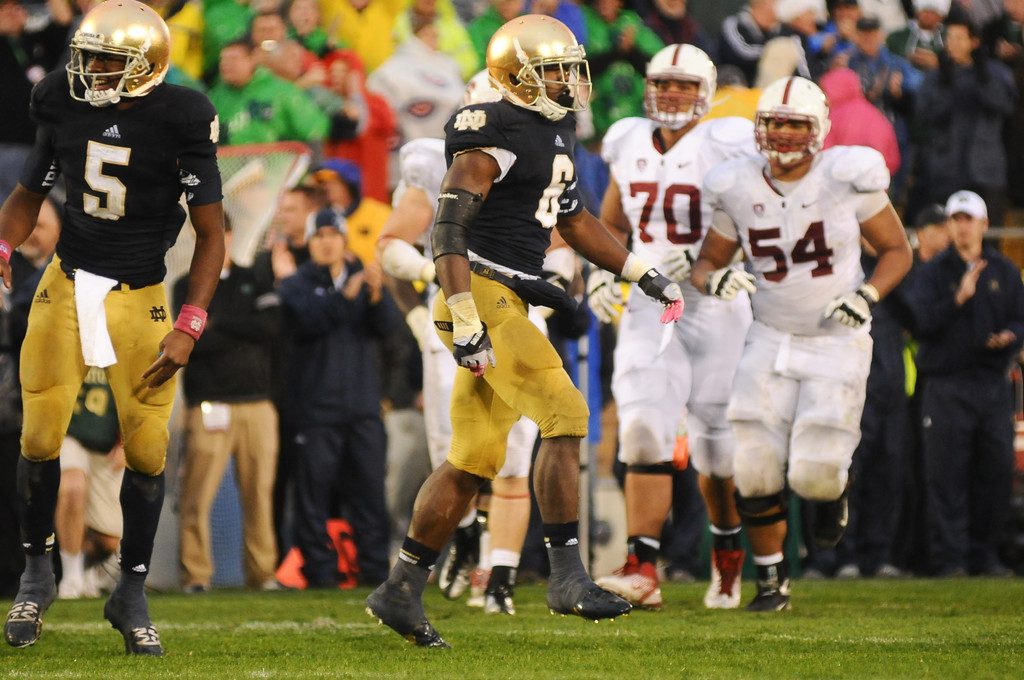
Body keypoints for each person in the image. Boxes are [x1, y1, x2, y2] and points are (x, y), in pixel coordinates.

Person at [365, 15, 683, 648]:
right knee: (565, 412)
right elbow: (449, 231)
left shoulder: (552, 130)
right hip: (480, 291)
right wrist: (463, 315)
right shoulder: (491, 127)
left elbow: (575, 219)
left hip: (507, 290)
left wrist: (642, 271)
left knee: (472, 459)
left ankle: (400, 588)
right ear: (517, 75)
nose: (568, 81)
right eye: (554, 70)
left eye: (570, 68)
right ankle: (566, 575)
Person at [0, 0, 224, 655]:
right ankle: (37, 574)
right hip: (68, 284)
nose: (92, 71)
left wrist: (190, 321)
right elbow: (28, 193)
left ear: (148, 68)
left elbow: (213, 236)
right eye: (88, 56)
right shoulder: (61, 100)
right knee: (40, 434)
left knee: (148, 450)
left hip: (142, 295)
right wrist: (6, 245)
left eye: (109, 61)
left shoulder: (183, 115)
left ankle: (130, 590)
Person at [691, 76, 912, 611]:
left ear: (819, 130)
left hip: (837, 338)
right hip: (768, 335)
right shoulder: (736, 183)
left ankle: (832, 493)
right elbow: (705, 264)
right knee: (755, 464)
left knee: (813, 474)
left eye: (796, 123)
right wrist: (714, 280)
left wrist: (868, 295)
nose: (784, 133)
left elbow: (897, 251)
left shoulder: (846, 176)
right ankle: (772, 581)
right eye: (774, 122)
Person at [376, 70, 576, 615]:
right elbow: (394, 243)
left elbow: (562, 235)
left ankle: (501, 577)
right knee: (461, 457)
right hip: (462, 312)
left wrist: (556, 284)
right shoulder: (443, 158)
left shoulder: (540, 148)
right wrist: (438, 279)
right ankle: (458, 545)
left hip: (517, 313)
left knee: (514, 457)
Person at [587, 44, 755, 611]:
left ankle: (727, 551)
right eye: (664, 84)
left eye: (684, 85)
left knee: (716, 444)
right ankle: (641, 565)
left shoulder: (727, 142)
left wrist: (711, 264)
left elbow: (751, 214)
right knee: (640, 427)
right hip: (648, 298)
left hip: (712, 303)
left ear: (705, 92)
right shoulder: (628, 138)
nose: (673, 94)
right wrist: (604, 272)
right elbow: (610, 222)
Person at [277, 208, 400, 587]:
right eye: (319, 236)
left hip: (362, 409)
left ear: (344, 242)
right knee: (312, 499)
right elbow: (312, 321)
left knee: (370, 496)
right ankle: (319, 573)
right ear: (309, 243)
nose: (327, 242)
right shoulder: (295, 285)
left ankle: (375, 571)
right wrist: (349, 295)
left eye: (333, 235)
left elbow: (391, 332)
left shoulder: (365, 282)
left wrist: (378, 296)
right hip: (314, 412)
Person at [906, 190, 1024, 577]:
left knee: (994, 470)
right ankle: (949, 559)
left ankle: (984, 555)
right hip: (946, 385)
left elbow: (1020, 319)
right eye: (956, 219)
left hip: (992, 384)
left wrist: (1010, 336)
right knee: (946, 475)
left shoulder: (1004, 271)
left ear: (984, 224)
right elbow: (920, 323)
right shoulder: (931, 273)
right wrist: (957, 298)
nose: (962, 225)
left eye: (968, 218)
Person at [175, 222, 283, 593]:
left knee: (260, 495)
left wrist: (217, 324)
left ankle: (263, 573)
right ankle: (196, 575)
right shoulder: (183, 286)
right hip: (209, 404)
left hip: (257, 405)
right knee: (196, 494)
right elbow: (189, 343)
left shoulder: (254, 277)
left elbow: (272, 325)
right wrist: (243, 329)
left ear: (233, 237)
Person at [915, 10, 1016, 227]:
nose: (953, 44)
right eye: (950, 38)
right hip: (946, 171)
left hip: (986, 171)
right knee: (947, 239)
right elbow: (924, 115)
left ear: (974, 41)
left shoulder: (995, 72)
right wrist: (947, 84)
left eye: (960, 38)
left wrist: (982, 76)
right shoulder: (937, 76)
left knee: (988, 239)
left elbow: (1004, 106)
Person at [55, 372, 124, 599]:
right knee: (72, 487)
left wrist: (128, 439)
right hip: (69, 432)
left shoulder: (126, 339)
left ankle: (86, 566)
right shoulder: (65, 336)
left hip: (109, 441)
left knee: (108, 541)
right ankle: (71, 577)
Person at [716, 0, 781, 88]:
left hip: (766, 93)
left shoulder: (781, 31)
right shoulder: (734, 24)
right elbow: (740, 53)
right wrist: (772, 52)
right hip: (733, 89)